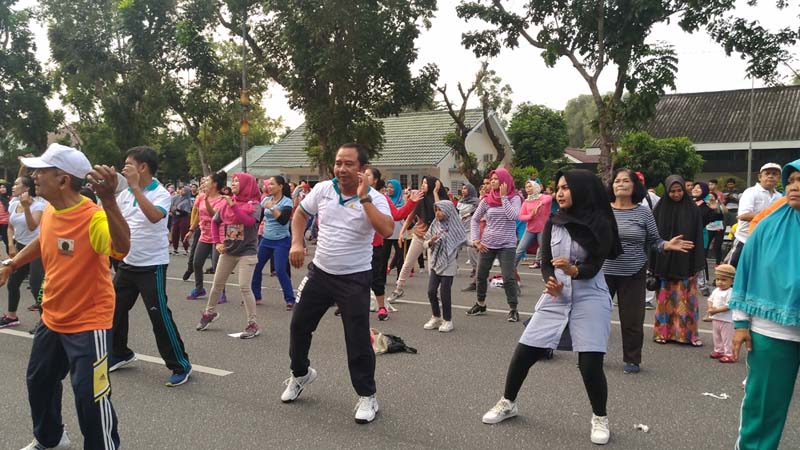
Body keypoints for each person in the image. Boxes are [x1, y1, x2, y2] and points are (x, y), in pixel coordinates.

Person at [1, 144, 130, 450]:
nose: (34, 176)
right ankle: (51, 438)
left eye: (41, 171)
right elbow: (42, 240)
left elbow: (121, 247)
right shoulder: (51, 211)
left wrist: (109, 201)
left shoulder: (93, 217)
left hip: (88, 322)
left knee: (90, 397)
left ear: (63, 180)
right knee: (39, 381)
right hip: (52, 316)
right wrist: (12, 263)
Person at [481, 169, 622, 446]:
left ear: (582, 190)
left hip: (590, 294)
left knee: (589, 363)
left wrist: (574, 270)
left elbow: (595, 266)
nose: (560, 193)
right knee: (525, 351)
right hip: (556, 294)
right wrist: (551, 282)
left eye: (566, 187)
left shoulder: (601, 223)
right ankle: (508, 402)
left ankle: (600, 417)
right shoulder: (554, 221)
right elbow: (546, 262)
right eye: (558, 188)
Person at [282, 143, 393, 424]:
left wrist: (364, 198)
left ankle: (367, 395)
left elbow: (387, 229)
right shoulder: (323, 189)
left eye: (349, 164)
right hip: (320, 273)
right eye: (338, 163)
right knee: (298, 326)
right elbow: (300, 214)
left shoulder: (375, 198)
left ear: (362, 169)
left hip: (355, 278)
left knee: (357, 339)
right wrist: (297, 242)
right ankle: (301, 375)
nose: (341, 169)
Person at [731, 159, 800, 450]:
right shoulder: (768, 224)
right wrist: (740, 323)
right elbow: (746, 273)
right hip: (772, 331)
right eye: (792, 180)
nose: (794, 187)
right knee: (763, 409)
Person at [108, 146, 192, 386]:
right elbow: (115, 221)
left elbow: (155, 216)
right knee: (113, 309)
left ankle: (181, 365)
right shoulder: (124, 195)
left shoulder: (161, 193)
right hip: (127, 263)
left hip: (151, 266)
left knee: (159, 317)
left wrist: (135, 188)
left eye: (128, 164)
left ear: (142, 167)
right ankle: (120, 353)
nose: (124, 168)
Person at [603, 169, 693, 374]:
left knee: (632, 319)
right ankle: (592, 354)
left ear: (635, 186)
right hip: (603, 271)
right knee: (596, 317)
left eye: (626, 181)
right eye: (617, 181)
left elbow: (654, 240)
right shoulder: (603, 210)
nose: (620, 184)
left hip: (634, 271)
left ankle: (632, 359)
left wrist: (667, 245)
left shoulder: (643, 212)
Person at [196, 173, 263, 338]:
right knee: (217, 284)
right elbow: (215, 221)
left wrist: (233, 206)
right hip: (228, 250)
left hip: (247, 251)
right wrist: (217, 242)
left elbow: (248, 222)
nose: (233, 184)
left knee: (244, 287)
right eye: (232, 181)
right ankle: (209, 313)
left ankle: (252, 324)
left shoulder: (254, 205)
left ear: (247, 185)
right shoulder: (227, 203)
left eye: (237, 181)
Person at [651, 175, 707, 346]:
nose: (676, 194)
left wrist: (698, 262)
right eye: (672, 191)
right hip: (665, 262)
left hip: (687, 261)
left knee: (687, 300)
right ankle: (663, 333)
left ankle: (687, 335)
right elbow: (653, 238)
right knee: (664, 300)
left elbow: (698, 237)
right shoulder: (659, 210)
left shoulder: (692, 209)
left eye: (679, 190)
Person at [466, 168, 522, 322]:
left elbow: (513, 216)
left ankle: (513, 309)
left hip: (507, 244)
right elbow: (475, 219)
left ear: (505, 181)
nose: (493, 182)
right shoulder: (487, 200)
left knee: (508, 277)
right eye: (491, 179)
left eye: (496, 179)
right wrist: (475, 239)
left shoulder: (514, 198)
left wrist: (504, 198)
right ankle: (481, 304)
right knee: (481, 275)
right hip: (488, 243)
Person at [366, 169, 419, 320]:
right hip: (355, 244)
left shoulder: (381, 198)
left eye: (368, 174)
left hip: (375, 243)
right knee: (351, 275)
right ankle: (346, 304)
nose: (363, 176)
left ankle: (381, 307)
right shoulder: (352, 195)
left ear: (375, 180)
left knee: (377, 276)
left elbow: (397, 215)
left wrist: (411, 202)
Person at [388, 176, 447, 301]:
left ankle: (435, 293)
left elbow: (441, 214)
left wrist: (435, 192)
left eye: (426, 183)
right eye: (422, 182)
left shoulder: (441, 200)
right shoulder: (420, 199)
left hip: (433, 239)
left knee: (432, 268)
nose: (423, 185)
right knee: (408, 263)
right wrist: (402, 232)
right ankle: (398, 289)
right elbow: (410, 217)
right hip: (419, 235)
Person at [1, 176, 46, 328]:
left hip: (36, 249)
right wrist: (11, 245)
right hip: (20, 246)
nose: (12, 187)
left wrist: (26, 207)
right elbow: (10, 227)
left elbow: (32, 226)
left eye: (16, 184)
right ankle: (11, 317)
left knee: (36, 285)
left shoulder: (39, 206)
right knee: (13, 283)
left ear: (27, 188)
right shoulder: (14, 204)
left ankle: (45, 322)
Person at [251, 175, 295, 309]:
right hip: (266, 239)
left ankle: (290, 299)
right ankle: (255, 296)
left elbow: (283, 221)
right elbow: (258, 218)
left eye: (272, 184)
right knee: (256, 267)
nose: (268, 186)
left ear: (280, 186)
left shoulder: (287, 202)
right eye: (268, 184)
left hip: (281, 240)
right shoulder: (265, 200)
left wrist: (272, 208)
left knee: (280, 270)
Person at [422, 200, 466, 332]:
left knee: (444, 293)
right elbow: (425, 243)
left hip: (449, 263)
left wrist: (475, 244)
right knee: (431, 291)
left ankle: (448, 320)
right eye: (436, 210)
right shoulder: (435, 224)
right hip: (436, 262)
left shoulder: (455, 225)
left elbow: (463, 240)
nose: (437, 213)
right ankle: (436, 317)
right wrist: (431, 241)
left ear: (448, 211)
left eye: (440, 210)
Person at [730, 163, 782, 267]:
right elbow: (744, 215)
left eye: (774, 174)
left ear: (779, 178)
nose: (770, 176)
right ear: (760, 177)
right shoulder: (751, 192)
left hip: (767, 242)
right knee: (732, 271)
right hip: (745, 239)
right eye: (767, 173)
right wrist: (772, 217)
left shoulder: (780, 197)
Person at [186, 172, 227, 299]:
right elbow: (199, 215)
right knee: (197, 263)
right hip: (204, 235)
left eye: (207, 180)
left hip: (218, 237)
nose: (204, 183)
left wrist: (206, 200)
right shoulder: (201, 197)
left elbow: (214, 215)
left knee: (217, 266)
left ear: (214, 184)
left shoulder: (222, 200)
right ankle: (199, 289)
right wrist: (191, 230)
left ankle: (221, 292)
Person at [514, 180, 551, 268]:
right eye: (526, 187)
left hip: (542, 229)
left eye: (530, 186)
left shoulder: (543, 197)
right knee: (519, 250)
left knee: (545, 251)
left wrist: (540, 204)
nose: (528, 189)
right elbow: (521, 216)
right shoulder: (526, 201)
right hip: (530, 230)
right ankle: (510, 270)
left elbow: (549, 198)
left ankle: (549, 272)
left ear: (535, 187)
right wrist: (531, 216)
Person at [707, 264, 736, 363]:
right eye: (718, 279)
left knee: (727, 338)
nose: (720, 282)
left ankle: (729, 354)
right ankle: (719, 350)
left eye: (724, 280)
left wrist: (715, 311)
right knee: (717, 336)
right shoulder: (716, 290)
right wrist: (710, 307)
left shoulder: (731, 292)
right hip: (716, 318)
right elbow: (710, 300)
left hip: (727, 320)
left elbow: (729, 306)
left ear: (732, 281)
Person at [458, 183, 480, 291]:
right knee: (453, 248)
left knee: (470, 250)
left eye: (465, 189)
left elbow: (478, 211)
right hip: (460, 228)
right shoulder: (460, 201)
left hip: (471, 228)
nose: (463, 190)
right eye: (462, 189)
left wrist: (470, 214)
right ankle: (452, 267)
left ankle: (476, 268)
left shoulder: (476, 201)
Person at [169, 184, 193, 255]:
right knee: (174, 232)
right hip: (176, 217)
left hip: (184, 217)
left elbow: (187, 211)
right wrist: (173, 210)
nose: (182, 191)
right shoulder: (175, 197)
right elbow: (172, 206)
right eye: (181, 190)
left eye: (184, 190)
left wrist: (177, 209)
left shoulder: (187, 200)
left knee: (183, 233)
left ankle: (186, 248)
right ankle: (175, 248)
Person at [0, 182, 9, 256]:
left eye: (4, 187)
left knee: (7, 241)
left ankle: (11, 257)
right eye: (0, 187)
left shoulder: (11, 198)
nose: (2, 189)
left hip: (7, 224)